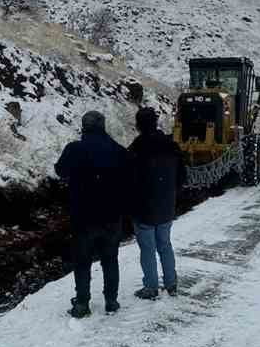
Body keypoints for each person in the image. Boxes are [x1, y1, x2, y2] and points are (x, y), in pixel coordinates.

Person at [54, 109, 130, 318]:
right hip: (112, 216)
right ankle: (111, 301)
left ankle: (82, 303)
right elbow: (130, 179)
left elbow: (60, 170)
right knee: (110, 259)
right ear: (103, 126)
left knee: (82, 261)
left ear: (84, 127)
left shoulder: (74, 149)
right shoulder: (119, 150)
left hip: (83, 216)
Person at [128, 105, 186, 299]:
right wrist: (170, 193)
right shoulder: (172, 145)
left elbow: (128, 179)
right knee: (165, 244)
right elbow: (182, 176)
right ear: (156, 122)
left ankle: (151, 287)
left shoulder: (137, 147)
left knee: (148, 248)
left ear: (138, 125)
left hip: (144, 207)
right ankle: (171, 283)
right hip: (166, 205)